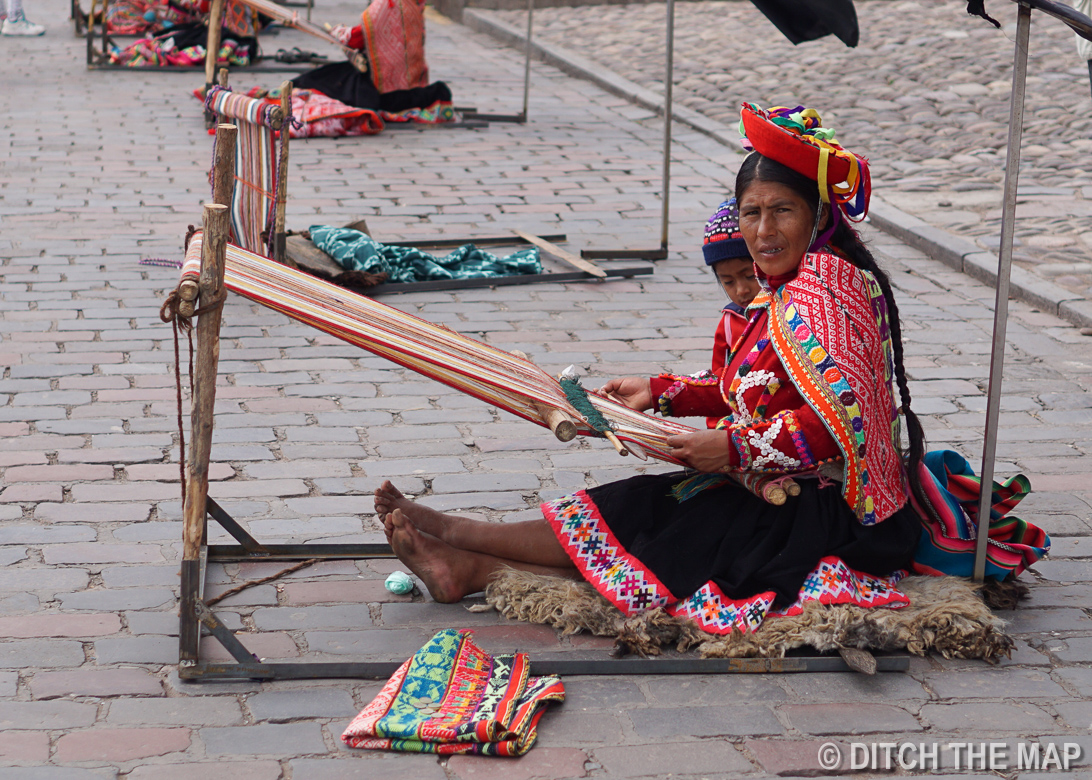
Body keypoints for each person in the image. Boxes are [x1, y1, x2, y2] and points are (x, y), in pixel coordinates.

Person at [374, 103, 926, 635]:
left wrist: (733, 450)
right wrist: (663, 394)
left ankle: (464, 552)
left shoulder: (825, 292)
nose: (763, 231)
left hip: (833, 515)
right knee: (645, 513)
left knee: (668, 534)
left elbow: (838, 427)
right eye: (751, 213)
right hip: (771, 484)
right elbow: (751, 388)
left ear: (819, 214)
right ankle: (459, 550)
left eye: (782, 210)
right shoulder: (786, 291)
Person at [700, 197, 760, 427]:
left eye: (749, 276)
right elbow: (720, 381)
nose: (742, 290)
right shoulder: (729, 322)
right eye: (728, 281)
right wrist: (717, 427)